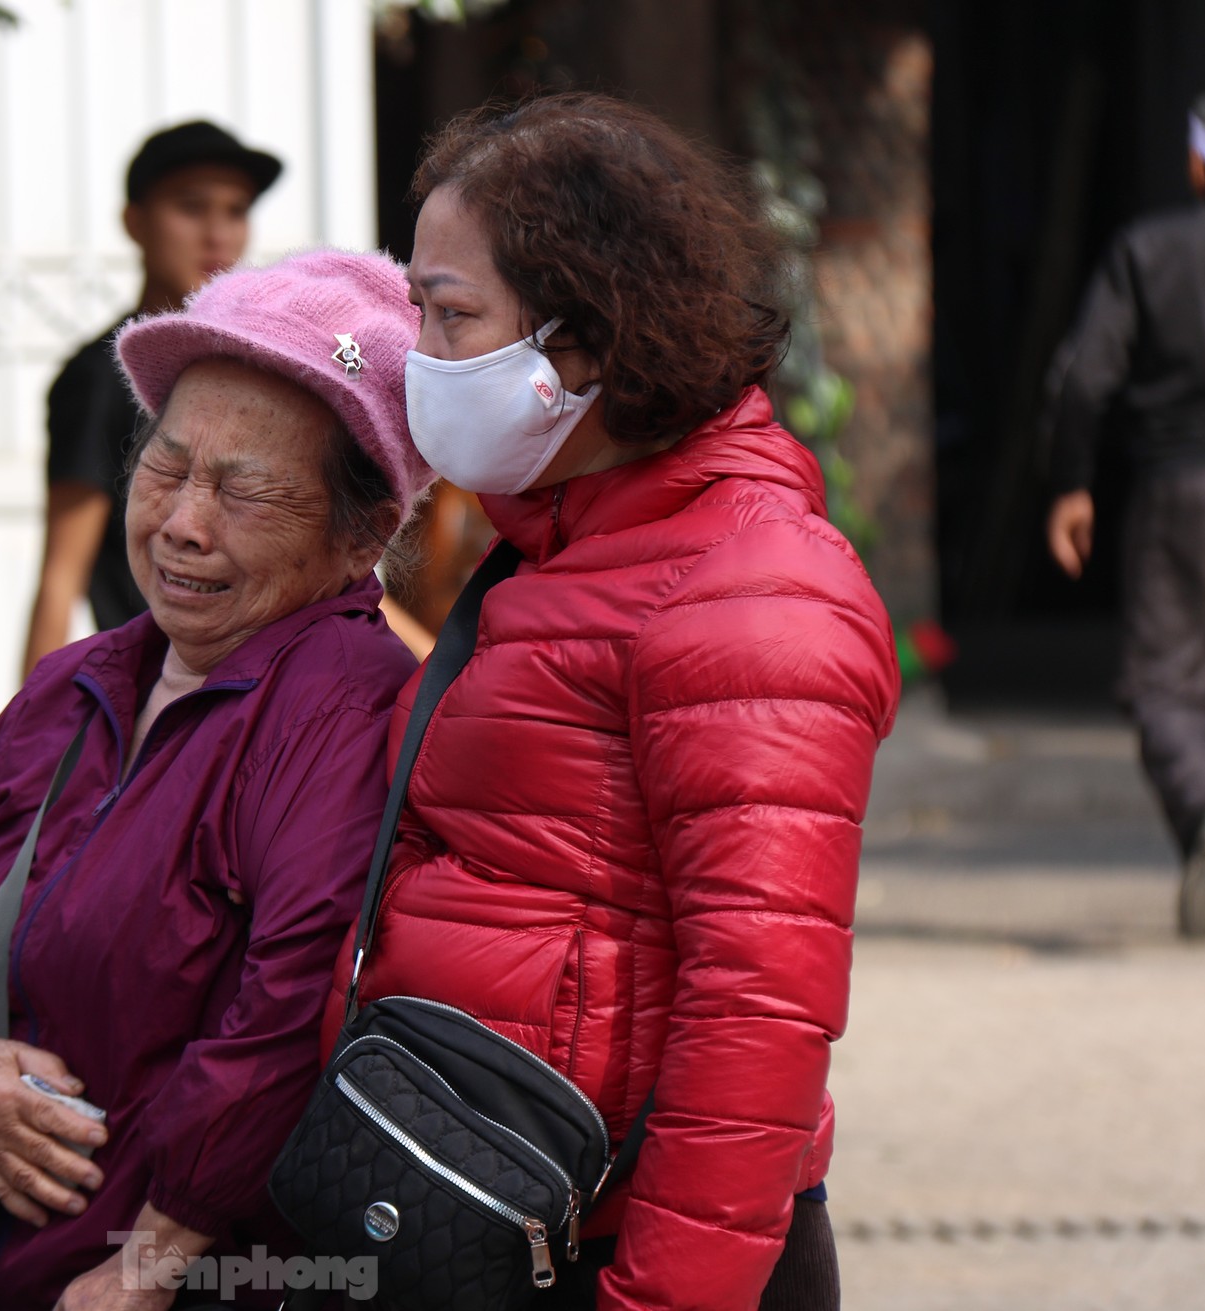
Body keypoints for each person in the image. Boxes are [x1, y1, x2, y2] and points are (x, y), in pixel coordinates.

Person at [326, 93, 900, 1310]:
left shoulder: (751, 588)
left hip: (631, 1247)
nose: (414, 349)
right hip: (481, 1190)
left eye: (449, 312)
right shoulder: (548, 545)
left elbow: (759, 1013)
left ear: (580, 339)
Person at [0, 249, 435, 1311]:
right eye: (166, 465)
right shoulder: (79, 686)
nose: (183, 522)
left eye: (244, 492)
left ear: (362, 536)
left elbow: (288, 1014)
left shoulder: (345, 702)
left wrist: (148, 1265)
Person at [1043, 89, 1205, 939]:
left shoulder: (1149, 252)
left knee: (1164, 675)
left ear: (1197, 166)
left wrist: (1072, 480)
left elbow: (1086, 376)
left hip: (1182, 488)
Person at [21, 120, 281, 676]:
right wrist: (28, 748)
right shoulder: (99, 376)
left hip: (272, 697)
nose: (217, 233)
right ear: (135, 222)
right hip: (160, 705)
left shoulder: (263, 370)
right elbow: (60, 576)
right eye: (191, 207)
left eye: (235, 211)